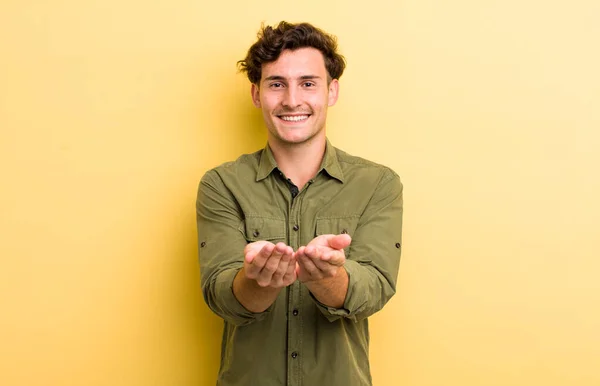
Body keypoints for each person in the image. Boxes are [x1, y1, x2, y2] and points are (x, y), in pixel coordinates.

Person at [196, 21, 403, 386]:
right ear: (257, 94)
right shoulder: (221, 185)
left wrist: (328, 277)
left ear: (332, 91)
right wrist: (258, 280)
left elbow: (374, 289)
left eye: (308, 83)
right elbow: (221, 296)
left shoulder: (377, 184)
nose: (292, 100)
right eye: (277, 84)